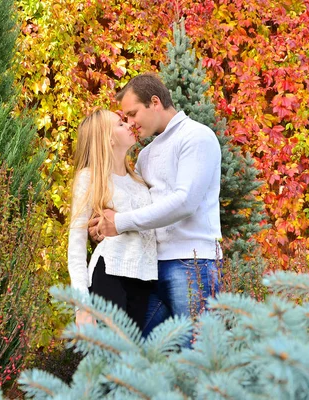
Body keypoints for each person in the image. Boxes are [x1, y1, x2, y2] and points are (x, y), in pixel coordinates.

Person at [89, 73, 223, 338]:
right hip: (150, 270)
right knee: (141, 356)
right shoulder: (146, 155)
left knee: (195, 353)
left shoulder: (196, 137)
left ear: (155, 102)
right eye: (125, 118)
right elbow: (134, 202)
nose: (130, 123)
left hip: (192, 264)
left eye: (133, 113)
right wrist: (101, 225)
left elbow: (185, 202)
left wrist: (120, 222)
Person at [68, 108, 157, 329]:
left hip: (145, 280)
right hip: (110, 275)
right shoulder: (90, 177)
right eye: (120, 124)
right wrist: (82, 306)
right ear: (108, 139)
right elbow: (76, 244)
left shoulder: (138, 179)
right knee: (111, 359)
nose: (129, 125)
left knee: (132, 361)